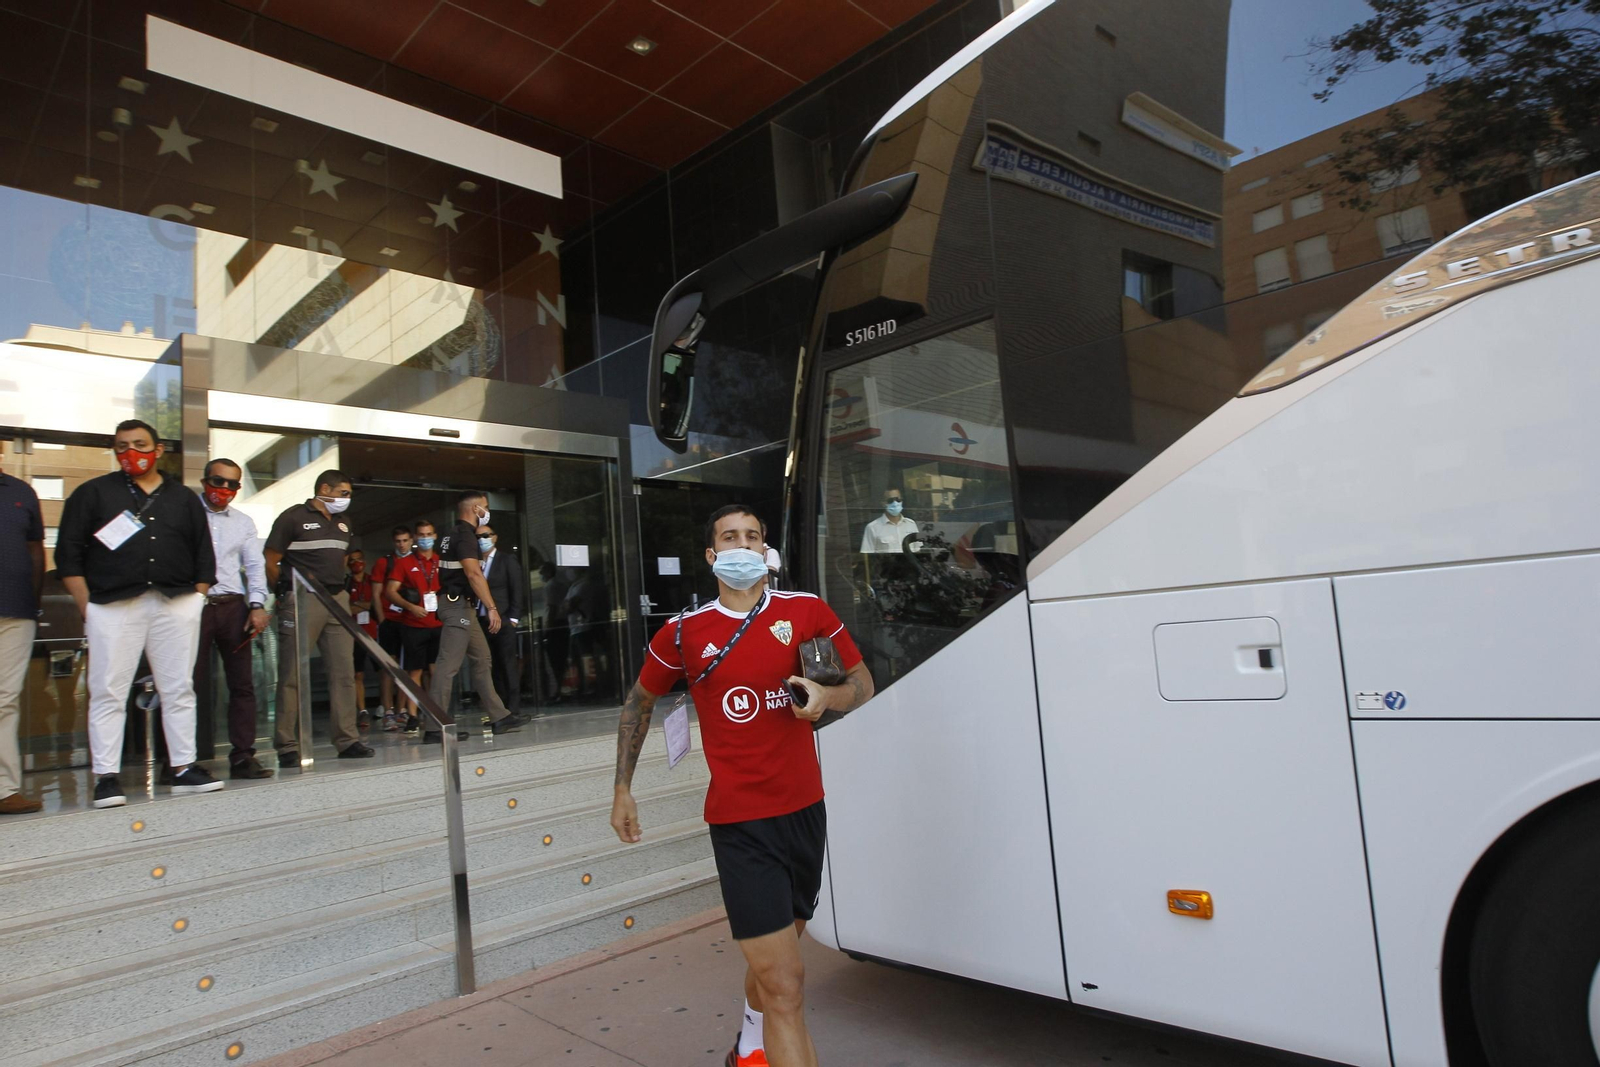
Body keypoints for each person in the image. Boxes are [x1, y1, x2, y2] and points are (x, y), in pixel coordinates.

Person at [610, 505, 875, 1067]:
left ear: (765, 551)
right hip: (740, 823)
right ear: (711, 556)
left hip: (805, 814)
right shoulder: (683, 632)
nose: (741, 545)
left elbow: (862, 681)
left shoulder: (805, 612)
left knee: (778, 968)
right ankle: (762, 1037)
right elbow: (639, 702)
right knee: (786, 986)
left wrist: (831, 699)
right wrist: (622, 790)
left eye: (751, 537)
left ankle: (749, 1041)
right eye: (729, 537)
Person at [55, 419, 224, 809]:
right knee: (108, 690)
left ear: (159, 449)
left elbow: (203, 555)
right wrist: (87, 605)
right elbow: (69, 555)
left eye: (139, 444)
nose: (131, 452)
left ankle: (183, 769)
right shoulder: (92, 494)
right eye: (122, 446)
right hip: (113, 605)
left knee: (179, 687)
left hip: (175, 602)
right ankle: (107, 777)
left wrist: (196, 598)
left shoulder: (183, 499)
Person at [263, 469, 374, 766]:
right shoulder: (293, 517)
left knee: (344, 672)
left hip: (337, 599)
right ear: (324, 488)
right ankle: (287, 744)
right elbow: (270, 560)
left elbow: (340, 562)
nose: (346, 500)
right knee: (292, 673)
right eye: (343, 493)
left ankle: (347, 739)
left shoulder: (343, 523)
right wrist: (284, 592)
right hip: (303, 598)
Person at [426, 492, 526, 742]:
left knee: (482, 659)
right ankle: (434, 726)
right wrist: (492, 607)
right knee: (448, 666)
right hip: (457, 606)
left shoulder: (450, 534)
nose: (487, 511)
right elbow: (473, 574)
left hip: (462, 606)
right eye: (486, 507)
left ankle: (499, 716)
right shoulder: (466, 536)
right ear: (476, 508)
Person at [194, 459, 272, 780]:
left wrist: (257, 605)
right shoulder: (187, 512)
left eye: (232, 485)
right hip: (193, 607)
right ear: (204, 480)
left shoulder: (243, 522)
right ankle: (184, 761)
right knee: (186, 685)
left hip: (233, 609)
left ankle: (242, 757)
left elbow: (255, 566)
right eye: (218, 481)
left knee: (242, 685)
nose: (224, 489)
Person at [0, 445, 45, 814]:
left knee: (5, 700)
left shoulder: (21, 492)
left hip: (16, 612)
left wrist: (34, 603)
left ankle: (4, 789)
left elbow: (35, 550)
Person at [385, 519, 442, 732]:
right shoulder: (405, 562)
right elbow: (390, 591)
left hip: (438, 623)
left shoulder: (441, 561)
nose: (426, 538)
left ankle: (438, 711)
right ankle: (412, 714)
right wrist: (410, 606)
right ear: (416, 538)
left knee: (437, 672)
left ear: (435, 536)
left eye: (429, 534)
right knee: (414, 672)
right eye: (422, 535)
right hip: (413, 624)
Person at [474, 524, 527, 718]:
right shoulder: (475, 563)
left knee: (507, 664)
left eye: (486, 535)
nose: (482, 539)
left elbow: (517, 590)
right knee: (490, 665)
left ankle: (513, 709)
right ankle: (500, 710)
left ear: (495, 537)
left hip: (503, 621)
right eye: (478, 536)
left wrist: (512, 619)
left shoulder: (506, 560)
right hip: (481, 622)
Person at [370, 526, 413, 730]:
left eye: (405, 540)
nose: (402, 544)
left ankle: (402, 710)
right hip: (389, 620)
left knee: (406, 668)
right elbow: (377, 593)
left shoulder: (417, 561)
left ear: (411, 540)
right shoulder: (384, 562)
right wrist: (381, 620)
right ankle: (388, 710)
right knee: (388, 668)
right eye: (398, 541)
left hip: (410, 620)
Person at [346, 548, 380, 730]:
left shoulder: (371, 581)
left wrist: (357, 604)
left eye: (358, 560)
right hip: (354, 635)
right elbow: (346, 608)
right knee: (357, 674)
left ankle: (385, 706)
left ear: (364, 562)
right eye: (352, 560)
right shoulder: (346, 583)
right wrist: (363, 605)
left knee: (384, 671)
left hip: (374, 633)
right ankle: (362, 710)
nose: (356, 564)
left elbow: (376, 603)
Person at [539, 562, 570, 702]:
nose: (540, 576)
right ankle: (559, 689)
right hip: (564, 623)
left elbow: (552, 608)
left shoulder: (550, 586)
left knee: (555, 660)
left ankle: (557, 691)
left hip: (556, 625)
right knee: (561, 660)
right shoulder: (561, 585)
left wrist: (548, 628)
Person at [859, 488, 914, 553]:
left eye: (898, 499)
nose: (895, 503)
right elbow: (867, 554)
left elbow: (917, 551)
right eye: (890, 500)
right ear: (883, 503)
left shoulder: (911, 524)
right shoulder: (872, 528)